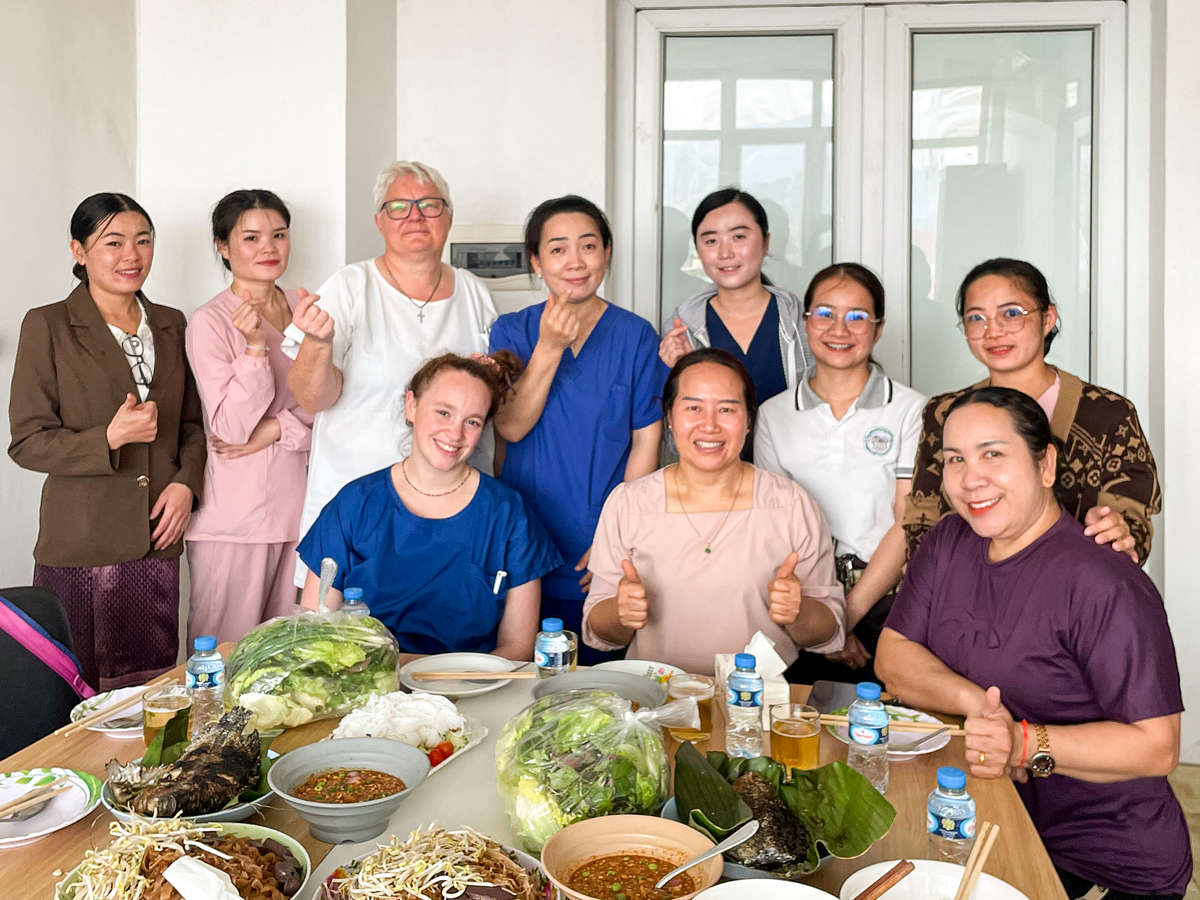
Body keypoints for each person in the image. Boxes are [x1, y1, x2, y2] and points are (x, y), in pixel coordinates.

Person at [876, 387, 1190, 899]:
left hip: (1111, 850)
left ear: (1046, 465)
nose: (970, 477)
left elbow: (1158, 747)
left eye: (993, 454)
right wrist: (978, 706)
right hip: (994, 819)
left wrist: (1022, 743)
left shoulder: (1103, 581)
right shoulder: (948, 542)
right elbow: (894, 656)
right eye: (955, 459)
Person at [8, 193, 205, 690]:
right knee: (72, 687)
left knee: (153, 691)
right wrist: (109, 438)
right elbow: (27, 441)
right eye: (112, 242)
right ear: (79, 251)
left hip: (156, 538)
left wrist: (185, 487)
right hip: (81, 541)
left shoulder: (171, 322)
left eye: (143, 241)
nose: (131, 255)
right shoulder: (48, 324)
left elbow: (192, 425)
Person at [285, 161, 497, 587]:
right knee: (347, 638)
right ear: (379, 221)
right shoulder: (350, 286)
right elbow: (311, 398)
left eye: (429, 205)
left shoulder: (474, 292)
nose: (415, 216)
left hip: (452, 507)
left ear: (450, 216)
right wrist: (318, 344)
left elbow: (487, 402)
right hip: (359, 507)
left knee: (446, 633)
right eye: (398, 206)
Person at [582, 348, 845, 675]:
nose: (709, 425)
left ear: (748, 421)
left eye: (726, 409)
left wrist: (800, 611)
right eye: (693, 407)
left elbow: (827, 632)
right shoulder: (629, 503)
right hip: (656, 702)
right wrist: (620, 614)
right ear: (668, 418)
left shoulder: (790, 504)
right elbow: (599, 629)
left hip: (758, 706)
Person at [487, 195, 665, 662]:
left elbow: (646, 438)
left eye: (588, 246)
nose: (575, 262)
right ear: (536, 261)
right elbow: (509, 427)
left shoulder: (636, 335)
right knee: (522, 673)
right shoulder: (511, 331)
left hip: (599, 540)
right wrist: (548, 348)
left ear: (606, 253)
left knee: (599, 681)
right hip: (523, 532)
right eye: (558, 249)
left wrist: (620, 535)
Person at [298, 353, 561, 660]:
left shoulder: (509, 514)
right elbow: (315, 631)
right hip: (368, 688)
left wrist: (450, 682)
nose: (455, 433)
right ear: (412, 406)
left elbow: (517, 648)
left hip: (472, 690)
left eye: (472, 421)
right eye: (444, 413)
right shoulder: (355, 505)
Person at [903, 257, 1160, 563]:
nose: (993, 331)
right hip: (966, 596)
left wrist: (1117, 530)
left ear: (1048, 319)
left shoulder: (1107, 414)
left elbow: (1133, 523)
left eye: (1011, 314)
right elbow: (923, 520)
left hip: (1070, 595)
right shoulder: (944, 413)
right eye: (976, 318)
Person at [755, 263, 925, 682]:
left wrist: (841, 621)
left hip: (888, 602)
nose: (839, 329)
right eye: (825, 314)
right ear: (806, 320)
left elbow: (906, 523)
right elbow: (773, 525)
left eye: (857, 317)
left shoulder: (911, 409)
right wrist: (818, 622)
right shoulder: (774, 413)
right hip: (801, 601)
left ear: (878, 328)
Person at [184, 190, 313, 645]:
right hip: (234, 521)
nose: (269, 248)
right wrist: (256, 348)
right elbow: (231, 428)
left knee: (287, 660)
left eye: (279, 235)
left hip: (301, 516)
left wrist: (279, 428)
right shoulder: (210, 322)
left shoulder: (307, 313)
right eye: (252, 237)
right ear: (223, 246)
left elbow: (334, 410)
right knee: (223, 657)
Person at [659, 188, 813, 458]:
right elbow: (675, 440)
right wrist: (678, 373)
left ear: (765, 242)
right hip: (714, 486)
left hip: (795, 482)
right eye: (710, 241)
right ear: (697, 249)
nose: (725, 253)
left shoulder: (802, 322)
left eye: (739, 237)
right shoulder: (681, 329)